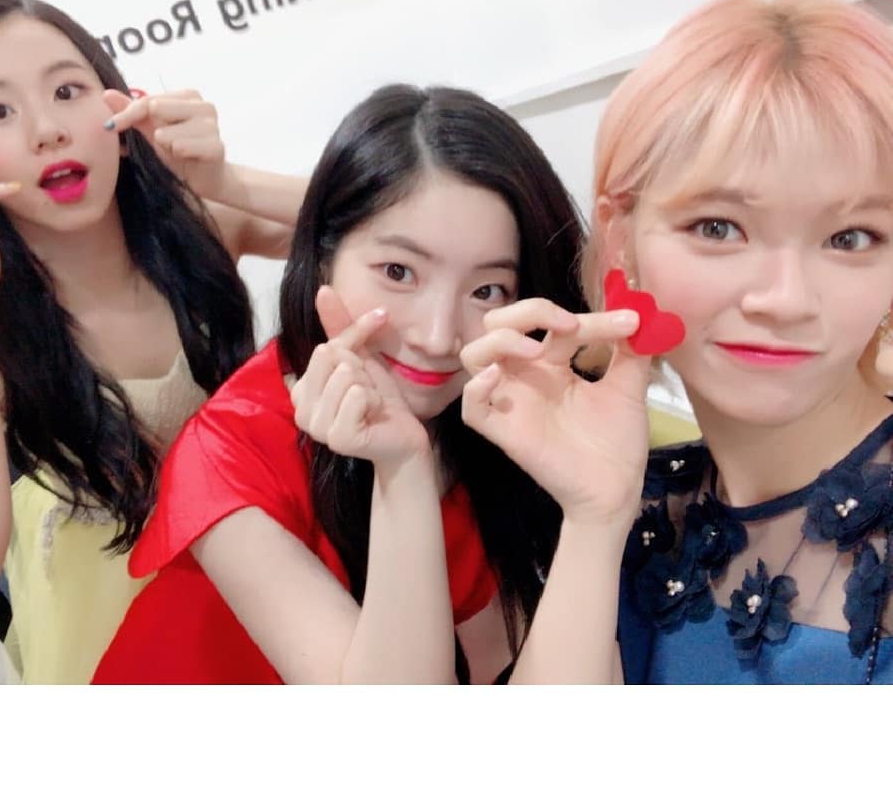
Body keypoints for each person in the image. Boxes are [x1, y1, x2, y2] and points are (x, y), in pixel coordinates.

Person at [91, 82, 643, 684]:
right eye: (398, 272)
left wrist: (594, 513)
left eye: (486, 290)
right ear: (322, 258)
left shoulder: (498, 410)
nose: (437, 336)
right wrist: (403, 473)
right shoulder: (227, 453)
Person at [459, 0, 893, 684]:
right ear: (622, 240)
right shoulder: (638, 505)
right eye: (718, 227)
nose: (784, 298)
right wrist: (594, 520)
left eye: (851, 237)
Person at [0, 0, 306, 683]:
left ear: (121, 108)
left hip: (273, 615)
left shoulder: (197, 227)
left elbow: (386, 234)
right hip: (115, 657)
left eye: (67, 91)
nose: (48, 130)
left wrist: (227, 181)